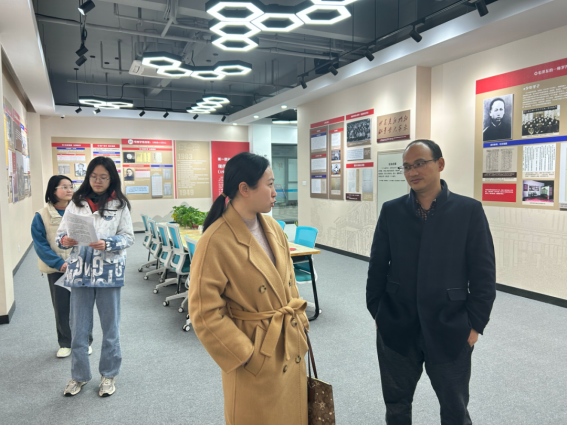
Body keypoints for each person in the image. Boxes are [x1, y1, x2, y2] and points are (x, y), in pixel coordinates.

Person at [366, 139, 496, 425]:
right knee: (396, 405)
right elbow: (377, 266)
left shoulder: (468, 210)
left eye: (420, 164)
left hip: (450, 325)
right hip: (397, 324)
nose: (413, 172)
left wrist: (475, 324)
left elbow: (484, 273)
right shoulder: (392, 211)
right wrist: (378, 312)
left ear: (440, 164)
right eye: (407, 167)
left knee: (455, 408)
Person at [188, 152, 310, 425]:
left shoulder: (273, 227)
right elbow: (204, 313)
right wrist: (245, 354)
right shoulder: (215, 240)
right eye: (270, 184)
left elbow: (289, 282)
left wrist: (300, 322)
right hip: (255, 355)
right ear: (244, 189)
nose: (275, 192)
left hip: (289, 344)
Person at [56, 157, 134, 398]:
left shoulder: (119, 205)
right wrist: (65, 240)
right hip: (79, 272)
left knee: (110, 328)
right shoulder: (76, 203)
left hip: (108, 273)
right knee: (78, 328)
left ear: (111, 179)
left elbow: (128, 237)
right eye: (93, 176)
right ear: (88, 177)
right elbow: (60, 235)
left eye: (103, 177)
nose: (98, 181)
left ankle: (108, 374)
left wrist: (108, 243)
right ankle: (79, 376)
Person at [31, 176, 93, 358]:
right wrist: (60, 264)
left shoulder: (81, 210)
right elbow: (40, 245)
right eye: (64, 187)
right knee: (62, 307)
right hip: (59, 269)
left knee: (83, 306)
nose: (69, 190)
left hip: (81, 266)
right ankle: (65, 342)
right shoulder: (41, 215)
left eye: (71, 186)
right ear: (53, 190)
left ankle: (85, 341)